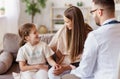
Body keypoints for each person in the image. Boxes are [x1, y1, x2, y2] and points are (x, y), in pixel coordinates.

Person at [61, 0, 120, 79]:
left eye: (92, 12)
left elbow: (84, 71)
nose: (92, 15)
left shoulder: (95, 36)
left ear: (99, 12)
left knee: (66, 77)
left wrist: (73, 70)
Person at [48, 6, 92, 79]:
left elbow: (87, 61)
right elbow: (49, 49)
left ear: (75, 22)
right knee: (51, 73)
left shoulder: (88, 34)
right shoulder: (63, 30)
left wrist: (67, 68)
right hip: (63, 64)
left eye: (67, 22)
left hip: (79, 67)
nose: (65, 24)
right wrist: (55, 64)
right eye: (64, 21)